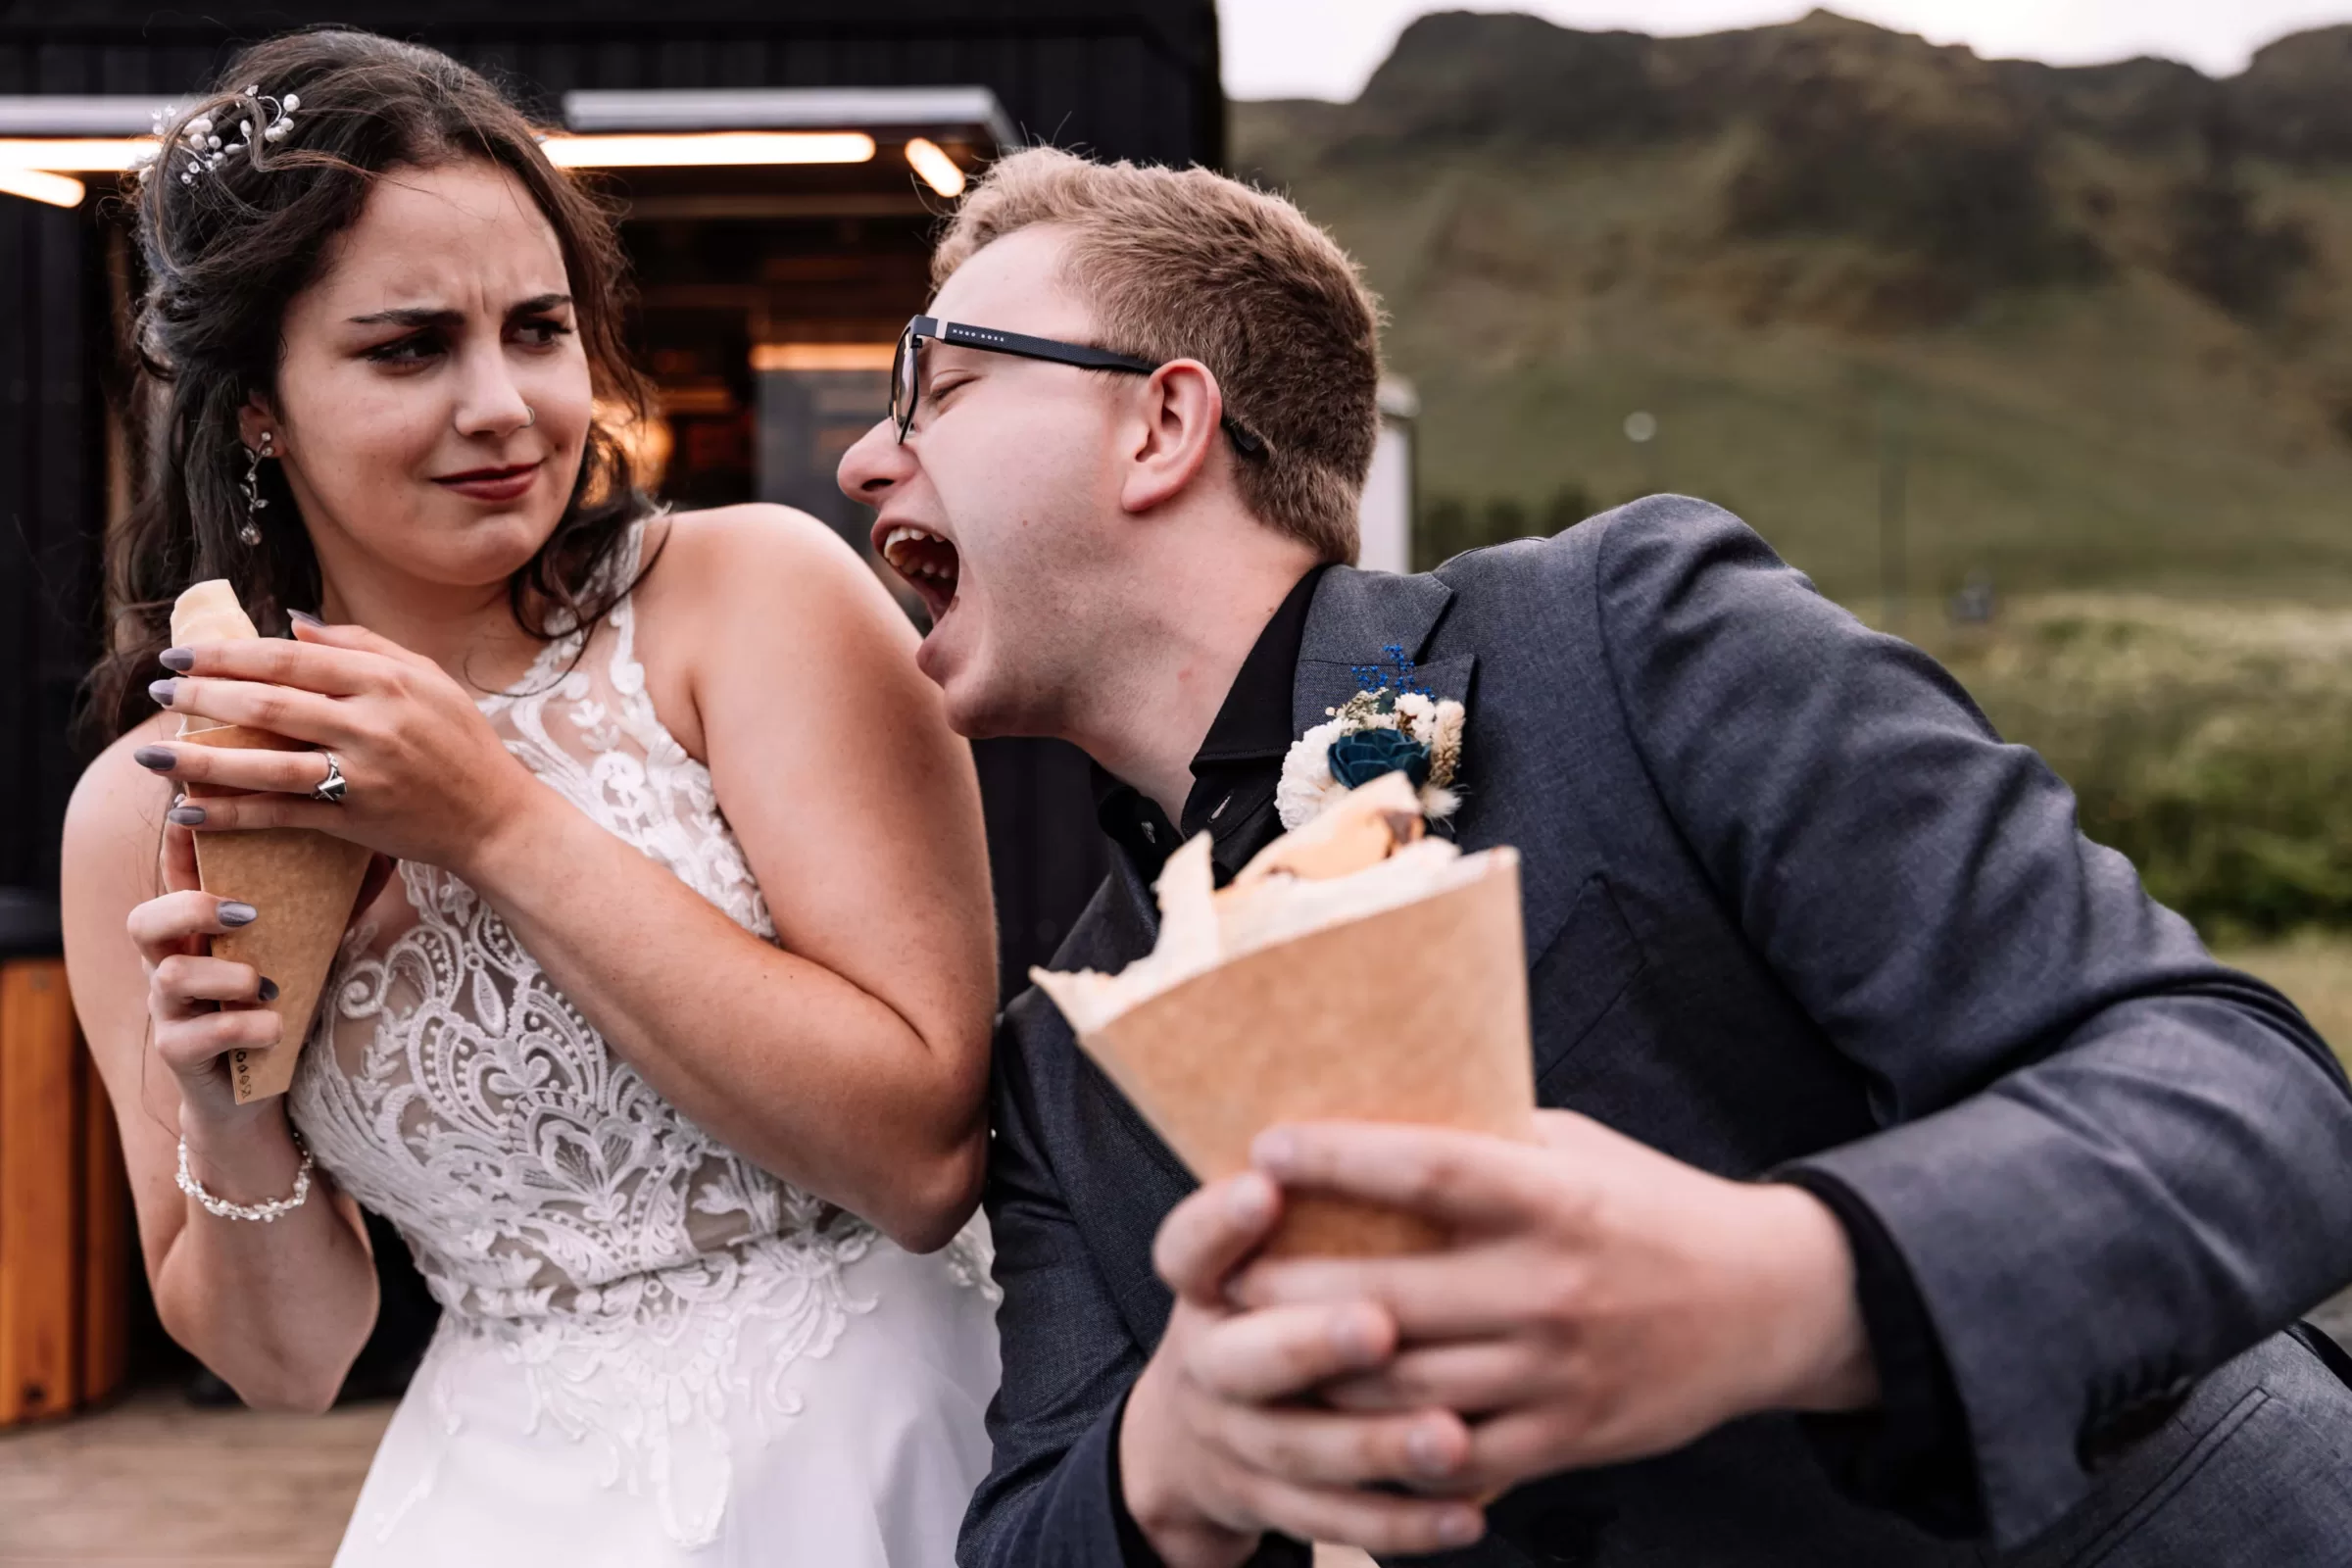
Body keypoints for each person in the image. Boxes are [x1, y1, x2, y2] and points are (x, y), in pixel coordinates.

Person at [835, 145, 2352, 1567]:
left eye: (942, 387)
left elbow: (2248, 1101)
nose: (859, 461)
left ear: (1161, 426)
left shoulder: (1630, 631)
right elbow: (1026, 1526)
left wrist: (1781, 1287)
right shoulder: (1062, 1066)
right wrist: (1162, 1461)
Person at [60, 31, 1001, 1566]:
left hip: (883, 1451)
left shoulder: (749, 599)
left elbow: (920, 1160)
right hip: (502, 1500)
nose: (502, 404)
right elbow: (289, 1365)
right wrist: (230, 1122)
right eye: (409, 348)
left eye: (539, 330)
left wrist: (489, 822)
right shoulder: (158, 802)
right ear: (257, 408)